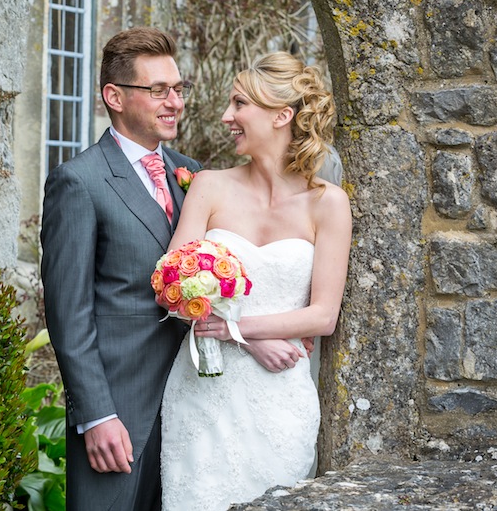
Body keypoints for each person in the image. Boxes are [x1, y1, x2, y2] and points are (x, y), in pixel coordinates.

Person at [41, 30, 303, 511]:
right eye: (159, 90)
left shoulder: (192, 173)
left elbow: (215, 285)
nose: (175, 102)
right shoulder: (78, 182)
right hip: (120, 413)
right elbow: (67, 314)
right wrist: (96, 414)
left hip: (202, 405)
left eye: (179, 89)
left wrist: (254, 331)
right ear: (115, 97)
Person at [160, 54, 352, 511]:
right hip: (204, 389)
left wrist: (235, 328)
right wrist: (245, 340)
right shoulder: (208, 186)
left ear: (282, 115)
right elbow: (171, 282)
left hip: (280, 395)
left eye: (239, 103)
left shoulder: (328, 205)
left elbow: (323, 316)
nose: (227, 116)